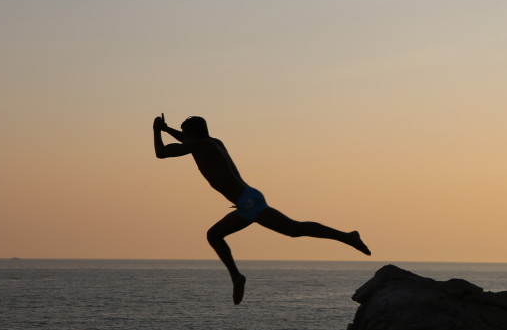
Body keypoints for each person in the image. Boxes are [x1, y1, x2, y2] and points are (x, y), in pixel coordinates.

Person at [153, 114, 370, 304]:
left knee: (290, 229)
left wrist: (156, 131)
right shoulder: (212, 142)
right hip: (248, 199)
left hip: (248, 202)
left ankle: (347, 237)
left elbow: (161, 153)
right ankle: (346, 237)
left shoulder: (200, 146)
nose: (184, 138)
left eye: (185, 134)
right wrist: (167, 129)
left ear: (192, 134)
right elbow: (185, 140)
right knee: (286, 230)